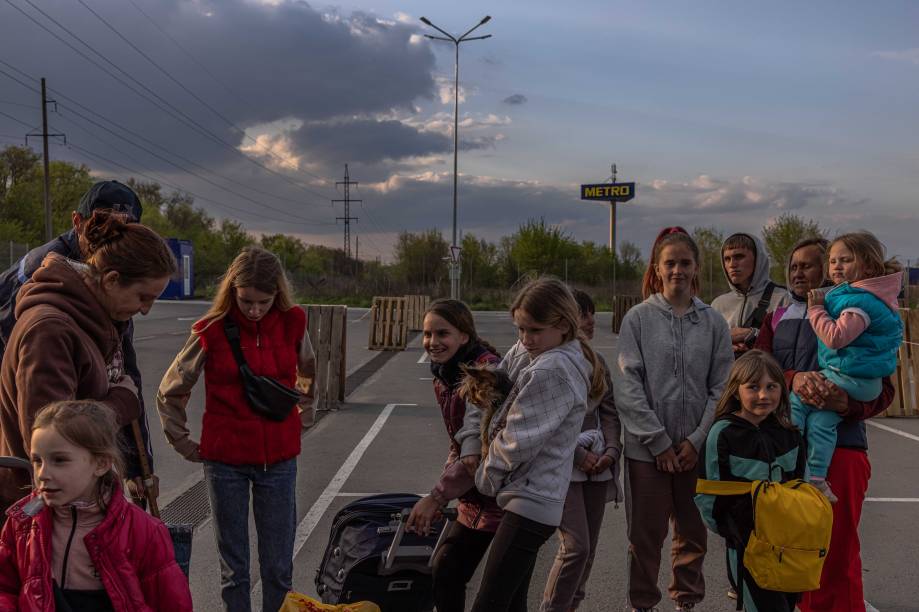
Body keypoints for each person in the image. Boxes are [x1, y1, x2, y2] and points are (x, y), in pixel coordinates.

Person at [156, 246, 315, 612]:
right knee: (234, 569)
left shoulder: (294, 323)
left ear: (278, 292)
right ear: (232, 291)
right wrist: (181, 442)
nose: (255, 310)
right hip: (224, 461)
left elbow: (308, 372)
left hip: (278, 461)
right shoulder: (210, 331)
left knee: (278, 568)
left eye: (264, 301)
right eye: (246, 301)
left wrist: (302, 420)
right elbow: (170, 389)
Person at [754, 236, 895, 611]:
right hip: (783, 449)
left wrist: (846, 404)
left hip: (844, 451)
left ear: (833, 270)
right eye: (794, 266)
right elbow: (754, 372)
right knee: (784, 550)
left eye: (810, 265)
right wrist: (792, 379)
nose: (800, 273)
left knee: (836, 552)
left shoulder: (855, 311)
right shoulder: (775, 318)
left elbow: (884, 390)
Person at [0, 210, 175, 512]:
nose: (146, 310)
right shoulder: (50, 330)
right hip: (43, 512)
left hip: (71, 502)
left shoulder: (93, 320)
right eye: (143, 297)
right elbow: (53, 437)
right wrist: (122, 401)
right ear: (110, 279)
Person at [456, 278, 606, 612]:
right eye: (520, 330)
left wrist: (486, 476)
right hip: (530, 497)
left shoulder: (554, 367)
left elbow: (518, 440)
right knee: (510, 603)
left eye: (534, 330)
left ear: (564, 325)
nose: (525, 339)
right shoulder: (546, 354)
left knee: (490, 603)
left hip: (531, 501)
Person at [614, 228, 733, 612]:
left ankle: (686, 601)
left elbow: (722, 386)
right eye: (670, 263)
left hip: (695, 451)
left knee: (692, 532)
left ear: (696, 267)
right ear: (657, 268)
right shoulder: (638, 318)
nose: (677, 270)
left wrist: (697, 440)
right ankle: (643, 603)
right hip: (647, 452)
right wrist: (659, 442)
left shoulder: (713, 323)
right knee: (644, 536)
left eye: (685, 262)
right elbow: (629, 386)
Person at [0, 400, 192, 611]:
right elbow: (5, 587)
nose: (43, 474)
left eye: (60, 460)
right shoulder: (23, 522)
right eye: (37, 461)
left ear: (101, 464)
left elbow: (170, 603)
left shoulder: (143, 532)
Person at [404, 299, 503, 612]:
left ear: (464, 335)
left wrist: (436, 497)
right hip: (476, 494)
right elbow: (457, 443)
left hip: (504, 494)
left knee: (462, 576)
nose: (433, 342)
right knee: (447, 570)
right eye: (428, 334)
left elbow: (478, 453)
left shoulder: (484, 373)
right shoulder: (445, 375)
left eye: (442, 334)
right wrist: (445, 488)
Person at [790, 232, 902, 502]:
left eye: (845, 260)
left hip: (849, 379)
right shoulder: (866, 297)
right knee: (820, 421)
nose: (836, 266)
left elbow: (835, 337)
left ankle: (786, 456)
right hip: (861, 382)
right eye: (833, 260)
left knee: (796, 403)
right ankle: (817, 478)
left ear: (869, 266)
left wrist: (816, 310)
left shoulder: (859, 301)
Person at [694, 350, 806, 612]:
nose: (764, 395)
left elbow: (802, 485)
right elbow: (708, 494)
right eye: (753, 387)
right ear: (736, 391)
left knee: (786, 606)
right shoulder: (722, 434)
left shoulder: (789, 434)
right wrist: (734, 534)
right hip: (747, 546)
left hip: (789, 545)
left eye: (771, 387)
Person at [540, 289, 622, 612]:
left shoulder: (598, 362)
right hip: (565, 467)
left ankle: (572, 605)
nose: (590, 321)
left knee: (588, 551)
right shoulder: (550, 363)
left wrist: (612, 451)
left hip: (598, 468)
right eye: (582, 314)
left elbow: (611, 412)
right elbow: (548, 423)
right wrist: (578, 455)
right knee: (575, 547)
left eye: (590, 313)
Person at [711, 232, 787, 356]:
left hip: (767, 372)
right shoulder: (717, 304)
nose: (732, 264)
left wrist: (752, 334)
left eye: (739, 257)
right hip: (727, 373)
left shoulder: (782, 298)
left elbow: (788, 344)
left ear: (758, 259)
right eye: (727, 259)